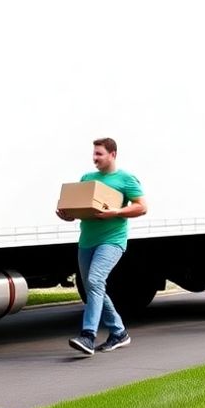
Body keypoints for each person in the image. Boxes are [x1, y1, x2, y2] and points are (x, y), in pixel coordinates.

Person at [56, 137, 147, 356]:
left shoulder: (125, 179)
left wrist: (115, 212)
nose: (94, 158)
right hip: (87, 241)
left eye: (99, 154)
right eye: (94, 153)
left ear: (112, 154)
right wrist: (67, 215)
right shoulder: (88, 178)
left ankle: (88, 335)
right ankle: (119, 332)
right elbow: (81, 210)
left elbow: (142, 207)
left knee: (95, 281)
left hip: (112, 241)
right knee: (92, 288)